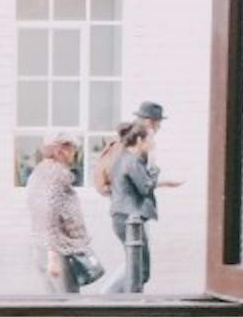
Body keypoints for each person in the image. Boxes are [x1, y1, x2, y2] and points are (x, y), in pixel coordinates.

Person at [25, 131, 92, 294]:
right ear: (59, 150)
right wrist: (53, 256)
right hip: (58, 251)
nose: (74, 154)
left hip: (40, 246)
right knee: (69, 306)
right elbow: (50, 213)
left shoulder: (38, 172)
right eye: (72, 149)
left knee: (54, 305)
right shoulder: (57, 174)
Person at [106, 121, 160, 292]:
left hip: (123, 217)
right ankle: (112, 299)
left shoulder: (122, 159)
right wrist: (154, 167)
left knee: (136, 268)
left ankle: (120, 300)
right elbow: (145, 187)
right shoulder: (132, 161)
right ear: (139, 140)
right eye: (150, 140)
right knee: (140, 271)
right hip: (130, 219)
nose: (153, 144)